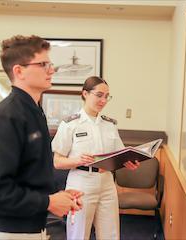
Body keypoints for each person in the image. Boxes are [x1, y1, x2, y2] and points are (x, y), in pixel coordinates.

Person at [0, 35, 83, 240]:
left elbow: (30, 172)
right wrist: (49, 202)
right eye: (43, 64)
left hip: (31, 228)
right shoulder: (3, 119)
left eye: (50, 64)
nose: (51, 69)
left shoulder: (34, 111)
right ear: (19, 71)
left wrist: (58, 196)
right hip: (6, 232)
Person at [52, 76, 140, 240]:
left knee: (110, 234)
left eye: (107, 96)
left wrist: (127, 162)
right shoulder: (70, 124)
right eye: (99, 95)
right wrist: (77, 160)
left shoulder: (110, 124)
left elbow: (119, 155)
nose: (103, 100)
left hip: (107, 181)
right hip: (81, 182)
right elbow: (57, 162)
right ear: (85, 93)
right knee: (78, 234)